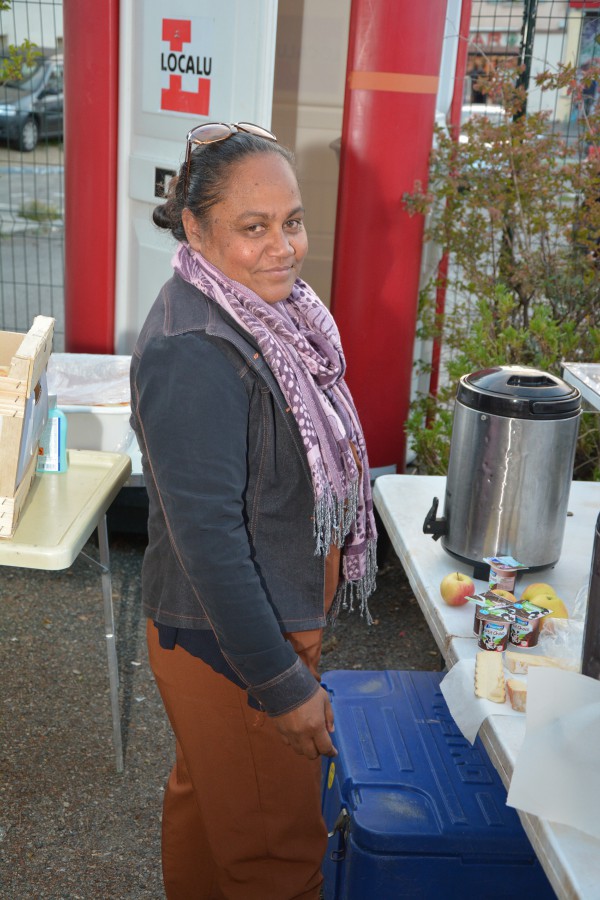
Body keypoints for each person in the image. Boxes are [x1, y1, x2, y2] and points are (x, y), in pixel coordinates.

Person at [130, 121, 377, 900]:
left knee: (215, 812)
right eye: (253, 227)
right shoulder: (194, 347)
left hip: (240, 632)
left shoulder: (270, 316)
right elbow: (209, 542)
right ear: (195, 228)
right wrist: (282, 683)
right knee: (278, 861)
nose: (283, 247)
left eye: (292, 221)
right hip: (232, 646)